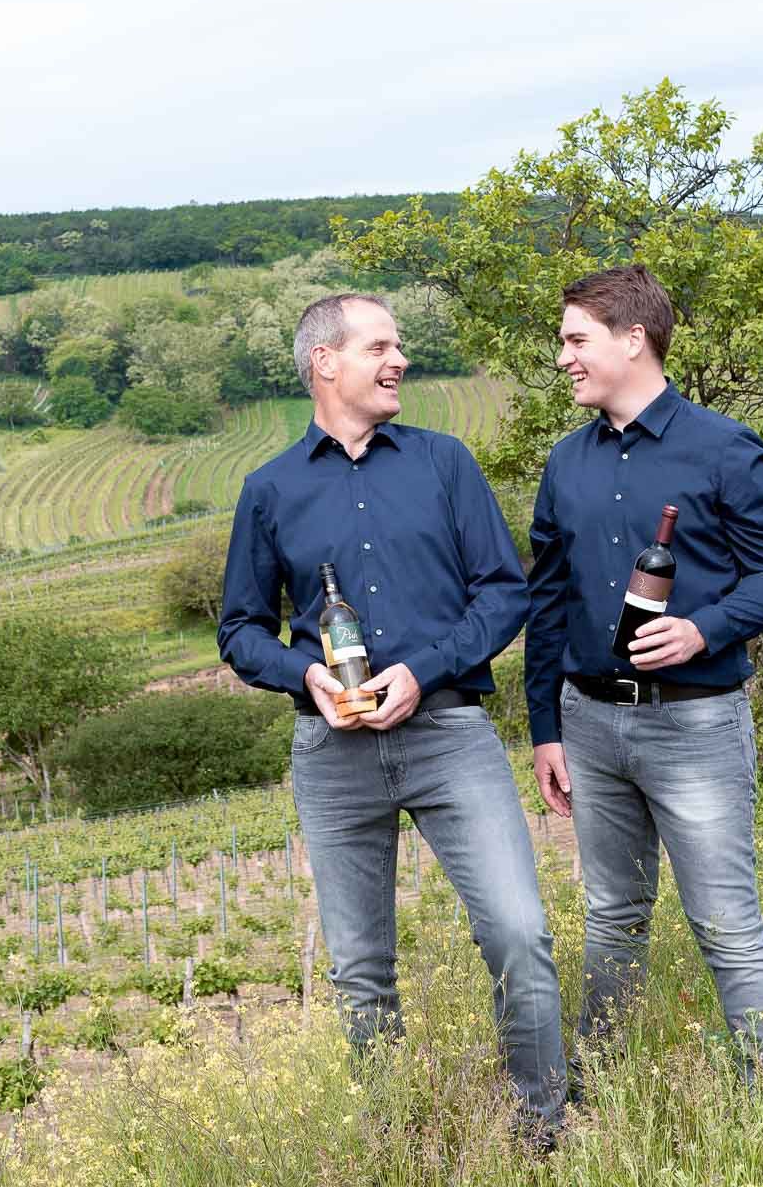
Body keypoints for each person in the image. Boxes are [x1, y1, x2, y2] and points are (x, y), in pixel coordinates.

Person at [219, 292, 566, 1139]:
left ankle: (542, 1132)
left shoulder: (445, 463)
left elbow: (503, 592)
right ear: (325, 363)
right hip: (332, 754)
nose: (400, 359)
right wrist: (307, 677)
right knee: (360, 971)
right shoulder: (268, 490)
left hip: (449, 734)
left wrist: (424, 670)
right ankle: (397, 1140)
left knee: (519, 934)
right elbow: (239, 630)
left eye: (399, 345)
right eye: (382, 345)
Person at [525, 264, 763, 1091]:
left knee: (726, 925)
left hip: (696, 724)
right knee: (611, 921)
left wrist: (700, 629)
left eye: (576, 340)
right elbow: (548, 605)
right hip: (588, 725)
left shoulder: (724, 448)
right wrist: (544, 727)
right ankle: (599, 1093)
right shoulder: (565, 462)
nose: (564, 359)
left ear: (633, 339)